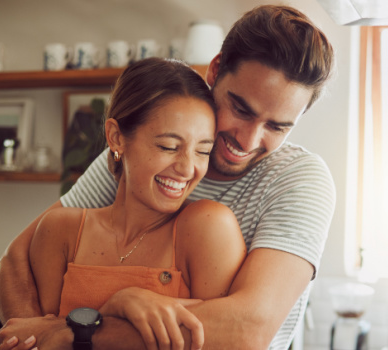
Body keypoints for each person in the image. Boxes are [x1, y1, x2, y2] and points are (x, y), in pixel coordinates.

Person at [0, 4, 336, 350]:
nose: (248, 140)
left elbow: (247, 328)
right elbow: (12, 263)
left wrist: (78, 332)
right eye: (241, 109)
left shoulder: (299, 181)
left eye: (277, 127)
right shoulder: (138, 157)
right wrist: (37, 341)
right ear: (215, 71)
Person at [25, 57, 247, 349]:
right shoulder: (60, 231)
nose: (187, 168)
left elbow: (225, 343)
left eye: (202, 151)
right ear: (116, 137)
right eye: (168, 147)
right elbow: (47, 340)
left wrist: (110, 311)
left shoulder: (207, 227)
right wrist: (116, 306)